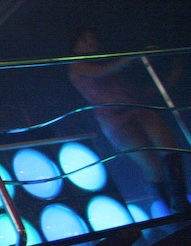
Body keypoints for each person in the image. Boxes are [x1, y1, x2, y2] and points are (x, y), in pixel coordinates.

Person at [68, 27, 189, 213]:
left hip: (135, 108)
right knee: (151, 163)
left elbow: (131, 89)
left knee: (168, 147)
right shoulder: (76, 66)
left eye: (92, 38)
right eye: (85, 40)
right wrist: (131, 58)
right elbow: (101, 72)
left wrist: (172, 73)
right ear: (75, 46)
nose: (91, 42)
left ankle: (180, 199)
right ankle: (169, 207)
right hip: (114, 119)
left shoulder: (107, 61)